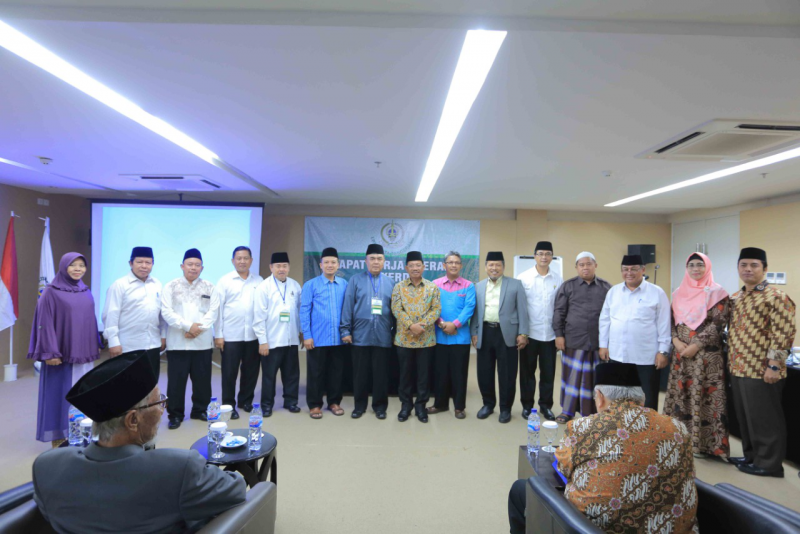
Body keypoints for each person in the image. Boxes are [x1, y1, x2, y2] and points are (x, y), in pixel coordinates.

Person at [33, 351, 246, 533]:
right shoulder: (179, 469)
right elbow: (236, 489)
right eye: (159, 402)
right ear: (133, 420)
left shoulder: (47, 467)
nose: (162, 410)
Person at [555, 362, 697, 533]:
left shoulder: (582, 428)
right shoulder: (678, 428)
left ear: (600, 397)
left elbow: (562, 467)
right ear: (642, 398)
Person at [727, 247, 796, 477]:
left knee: (765, 419)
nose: (748, 269)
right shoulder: (736, 297)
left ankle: (769, 465)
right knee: (746, 418)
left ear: (765, 269)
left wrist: (774, 366)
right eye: (743, 265)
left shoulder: (776, 297)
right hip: (738, 367)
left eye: (754, 265)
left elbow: (783, 334)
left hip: (762, 370)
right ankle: (751, 456)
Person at [28, 252, 101, 446]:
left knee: (84, 393)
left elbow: (90, 320)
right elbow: (44, 323)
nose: (78, 269)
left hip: (84, 355)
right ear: (64, 266)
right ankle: (60, 437)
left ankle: (82, 434)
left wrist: (93, 345)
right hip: (61, 356)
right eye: (73, 265)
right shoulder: (51, 292)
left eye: (81, 265)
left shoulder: (85, 290)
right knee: (61, 394)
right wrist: (50, 351)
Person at [664, 252, 730, 459]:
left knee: (705, 397)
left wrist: (696, 345)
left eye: (700, 265)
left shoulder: (718, 292)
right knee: (681, 396)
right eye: (691, 265)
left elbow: (718, 323)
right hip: (681, 355)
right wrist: (675, 341)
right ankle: (678, 440)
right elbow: (670, 321)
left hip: (706, 357)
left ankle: (706, 446)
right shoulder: (678, 292)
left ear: (707, 267)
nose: (695, 269)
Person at [598, 254, 670, 410]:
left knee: (647, 399)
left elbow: (664, 323)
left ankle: (647, 426)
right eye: (625, 269)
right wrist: (603, 345)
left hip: (646, 358)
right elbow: (605, 320)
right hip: (618, 355)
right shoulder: (613, 291)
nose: (629, 273)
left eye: (634, 269)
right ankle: (622, 425)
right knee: (618, 398)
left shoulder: (657, 292)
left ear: (643, 270)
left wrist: (663, 351)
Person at [161, 248, 220, 429]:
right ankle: (175, 415)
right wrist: (188, 326)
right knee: (176, 382)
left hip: (202, 343)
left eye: (197, 265)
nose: (193, 268)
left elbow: (213, 312)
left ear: (202, 268)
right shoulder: (170, 286)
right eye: (190, 264)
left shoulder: (210, 287)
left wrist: (197, 329)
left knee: (202, 381)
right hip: (178, 342)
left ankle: (200, 410)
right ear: (182, 266)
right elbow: (166, 312)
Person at [552, 251, 611, 423]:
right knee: (571, 378)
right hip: (574, 340)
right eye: (581, 265)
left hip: (598, 342)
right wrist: (559, 335)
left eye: (589, 264)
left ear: (595, 265)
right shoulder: (568, 286)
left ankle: (592, 412)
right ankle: (567, 411)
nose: (585, 267)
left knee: (594, 379)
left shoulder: (606, 287)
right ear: (576, 267)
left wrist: (607, 342)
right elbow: (559, 312)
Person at [470, 251, 529, 424]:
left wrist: (523, 333)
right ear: (486, 267)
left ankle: (505, 408)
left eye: (498, 265)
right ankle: (488, 405)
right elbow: (475, 312)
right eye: (491, 265)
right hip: (485, 332)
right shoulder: (479, 286)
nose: (494, 268)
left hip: (507, 334)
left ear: (503, 266)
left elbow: (523, 310)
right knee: (484, 372)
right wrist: (474, 332)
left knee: (508, 373)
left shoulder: (515, 284)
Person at [341, 243, 396, 420]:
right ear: (366, 261)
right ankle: (359, 406)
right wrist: (345, 331)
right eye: (372, 258)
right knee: (360, 374)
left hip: (383, 336)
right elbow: (348, 306)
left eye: (379, 258)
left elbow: (396, 311)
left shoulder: (391, 282)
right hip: (360, 336)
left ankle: (380, 407)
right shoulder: (355, 280)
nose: (376, 262)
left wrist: (395, 333)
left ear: (384, 261)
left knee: (381, 375)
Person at [213, 246, 263, 420]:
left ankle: (245, 401)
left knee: (251, 371)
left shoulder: (259, 281)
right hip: (230, 336)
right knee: (229, 373)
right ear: (233, 261)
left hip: (252, 335)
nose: (242, 261)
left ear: (251, 260)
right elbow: (218, 309)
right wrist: (218, 334)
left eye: (246, 258)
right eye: (239, 258)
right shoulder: (224, 281)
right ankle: (229, 405)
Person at [391, 251, 441, 423]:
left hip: (426, 340)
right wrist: (411, 325)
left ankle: (420, 406)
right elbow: (396, 308)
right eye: (411, 265)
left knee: (423, 376)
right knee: (405, 375)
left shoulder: (432, 287)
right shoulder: (399, 287)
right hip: (404, 339)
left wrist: (422, 326)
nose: (415, 268)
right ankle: (406, 406)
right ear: (406, 268)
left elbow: (436, 309)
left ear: (423, 267)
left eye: (418, 265)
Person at [102, 246, 166, 379]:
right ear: (131, 263)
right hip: (128, 346)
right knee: (128, 385)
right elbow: (110, 315)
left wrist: (163, 335)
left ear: (152, 264)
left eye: (148, 262)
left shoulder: (157, 284)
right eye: (139, 262)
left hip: (152, 345)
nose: (144, 266)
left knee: (151, 384)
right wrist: (113, 342)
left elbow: (161, 314)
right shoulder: (119, 285)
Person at [300, 247, 348, 419]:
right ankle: (314, 405)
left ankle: (334, 402)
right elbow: (304, 311)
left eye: (333, 262)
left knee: (336, 373)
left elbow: (348, 310)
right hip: (317, 338)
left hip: (338, 338)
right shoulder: (310, 285)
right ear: (320, 265)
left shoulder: (344, 284)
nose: (330, 265)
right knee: (316, 373)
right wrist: (307, 335)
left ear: (338, 265)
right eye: (326, 262)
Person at [253, 252, 302, 417]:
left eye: (284, 266)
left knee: (292, 374)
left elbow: (300, 311)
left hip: (291, 339)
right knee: (269, 376)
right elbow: (258, 316)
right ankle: (267, 405)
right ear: (271, 267)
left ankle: (291, 402)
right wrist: (262, 341)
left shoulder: (295, 285)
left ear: (289, 267)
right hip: (271, 341)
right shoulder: (264, 287)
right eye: (278, 266)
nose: (282, 269)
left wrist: (301, 332)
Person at [517, 241, 563, 421]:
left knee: (548, 374)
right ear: (535, 256)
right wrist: (521, 333)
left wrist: (560, 334)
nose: (544, 257)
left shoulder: (558, 279)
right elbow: (519, 307)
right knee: (527, 374)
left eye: (548, 254)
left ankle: (546, 406)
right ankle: (527, 406)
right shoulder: (523, 278)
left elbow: (560, 308)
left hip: (549, 336)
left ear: (552, 257)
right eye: (541, 253)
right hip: (529, 335)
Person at [428, 251, 476, 419]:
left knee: (459, 374)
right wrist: (442, 324)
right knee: (440, 372)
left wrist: (454, 324)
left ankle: (459, 407)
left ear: (461, 265)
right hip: (439, 336)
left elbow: (469, 308)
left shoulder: (468, 285)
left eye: (457, 262)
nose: (453, 265)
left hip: (460, 337)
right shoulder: (435, 284)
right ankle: (440, 404)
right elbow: (432, 307)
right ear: (444, 265)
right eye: (450, 262)